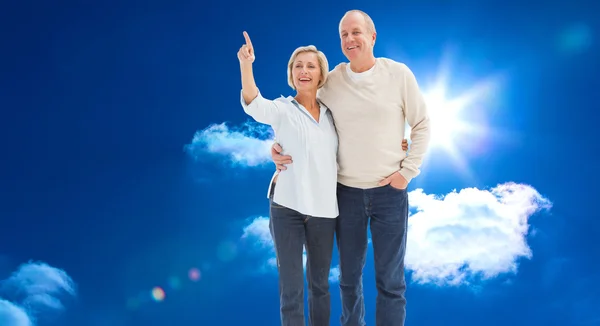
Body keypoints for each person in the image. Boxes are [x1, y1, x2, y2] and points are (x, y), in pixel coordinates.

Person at [270, 10, 431, 326]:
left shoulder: (398, 75)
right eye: (343, 34)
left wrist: (407, 172)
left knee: (391, 283)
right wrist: (276, 146)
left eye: (356, 32)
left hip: (390, 193)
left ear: (372, 36)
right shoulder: (332, 82)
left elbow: (422, 123)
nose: (349, 39)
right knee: (349, 280)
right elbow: (298, 112)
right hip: (345, 194)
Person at [237, 31, 338, 326]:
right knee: (291, 289)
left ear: (321, 73)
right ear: (291, 74)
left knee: (320, 286)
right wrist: (247, 65)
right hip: (286, 208)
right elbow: (255, 104)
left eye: (310, 65)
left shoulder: (333, 114)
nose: (303, 71)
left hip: (323, 210)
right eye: (297, 66)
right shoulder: (282, 109)